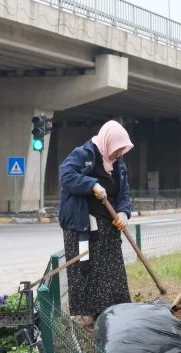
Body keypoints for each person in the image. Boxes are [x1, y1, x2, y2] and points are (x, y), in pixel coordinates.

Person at [58, 120, 134, 322]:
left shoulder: (118, 163)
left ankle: (112, 312)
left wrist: (124, 213)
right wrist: (91, 184)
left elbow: (124, 192)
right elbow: (66, 175)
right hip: (83, 224)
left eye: (122, 149)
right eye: (117, 149)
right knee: (86, 268)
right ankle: (86, 314)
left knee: (111, 271)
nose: (119, 153)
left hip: (109, 225)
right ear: (108, 142)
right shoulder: (84, 154)